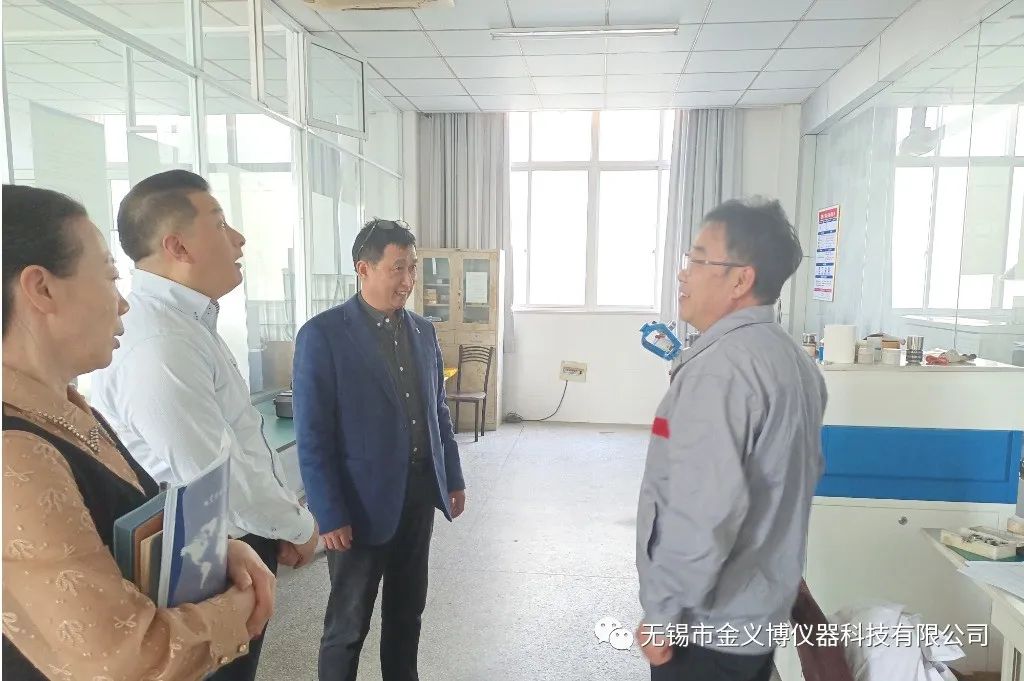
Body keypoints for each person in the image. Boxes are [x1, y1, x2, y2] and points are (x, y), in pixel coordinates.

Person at [1, 184, 275, 681]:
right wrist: (241, 606)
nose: (123, 304)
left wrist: (217, 552)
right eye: (110, 277)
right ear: (41, 289)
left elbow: (126, 531)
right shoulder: (14, 455)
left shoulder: (64, 409)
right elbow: (125, 657)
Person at [90, 170, 318, 681]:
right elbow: (213, 475)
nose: (239, 239)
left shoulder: (187, 324)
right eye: (219, 224)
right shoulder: (161, 342)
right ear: (178, 246)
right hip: (204, 560)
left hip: (230, 544)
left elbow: (237, 441)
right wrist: (299, 527)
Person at [635, 198, 827, 681]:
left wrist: (663, 613)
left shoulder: (720, 370)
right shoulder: (793, 360)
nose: (684, 274)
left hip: (706, 627)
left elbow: (702, 509)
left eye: (699, 260)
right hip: (757, 613)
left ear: (741, 280)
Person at [293, 218, 466, 681]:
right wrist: (329, 512)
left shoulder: (423, 332)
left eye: (412, 268)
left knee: (407, 615)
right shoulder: (323, 335)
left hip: (417, 496)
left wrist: (452, 477)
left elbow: (439, 413)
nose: (408, 280)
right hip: (359, 506)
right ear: (363, 269)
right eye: (398, 268)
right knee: (347, 626)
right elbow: (313, 436)